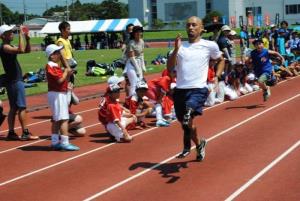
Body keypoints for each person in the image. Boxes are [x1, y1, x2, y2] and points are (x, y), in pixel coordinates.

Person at [167, 16, 225, 161]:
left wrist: (217, 76)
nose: (190, 28)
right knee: (186, 124)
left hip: (198, 89)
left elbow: (221, 59)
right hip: (180, 90)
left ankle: (186, 148)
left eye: (194, 25)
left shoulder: (209, 45)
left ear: (201, 28)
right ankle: (199, 144)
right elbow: (169, 68)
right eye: (188, 25)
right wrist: (175, 49)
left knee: (188, 113)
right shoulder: (180, 47)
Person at [0, 24, 39, 141]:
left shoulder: (7, 46)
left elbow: (26, 51)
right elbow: (21, 49)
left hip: (13, 80)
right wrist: (21, 34)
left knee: (13, 108)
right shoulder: (5, 47)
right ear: (3, 36)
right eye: (9, 32)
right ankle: (25, 133)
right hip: (15, 80)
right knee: (22, 107)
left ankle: (11, 132)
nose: (12, 33)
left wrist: (27, 38)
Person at [45, 44, 79, 151]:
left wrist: (63, 60)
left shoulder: (54, 65)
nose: (59, 54)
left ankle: (55, 142)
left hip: (58, 93)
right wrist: (65, 71)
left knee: (56, 119)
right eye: (57, 53)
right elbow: (60, 80)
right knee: (63, 119)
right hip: (57, 94)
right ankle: (64, 143)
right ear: (51, 55)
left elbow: (67, 69)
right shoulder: (51, 65)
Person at [124, 26, 146, 97]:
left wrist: (143, 66)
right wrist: (137, 69)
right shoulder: (131, 43)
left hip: (139, 63)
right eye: (137, 32)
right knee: (134, 83)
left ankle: (138, 99)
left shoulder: (142, 41)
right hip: (131, 65)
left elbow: (142, 54)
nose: (139, 33)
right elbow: (132, 57)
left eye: (140, 32)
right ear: (134, 34)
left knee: (140, 82)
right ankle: (131, 101)